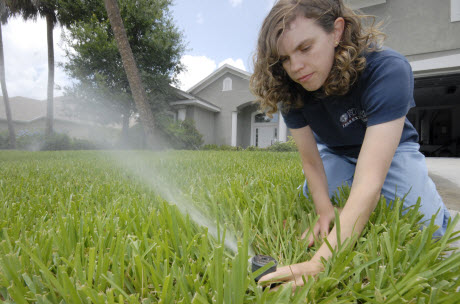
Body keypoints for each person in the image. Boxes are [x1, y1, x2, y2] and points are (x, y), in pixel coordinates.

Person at [249, 0, 451, 288]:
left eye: (305, 48)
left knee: (426, 230)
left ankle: (426, 199)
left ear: (336, 32)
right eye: (284, 58)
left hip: (392, 152)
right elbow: (310, 160)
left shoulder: (387, 69)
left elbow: (369, 180)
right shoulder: (289, 88)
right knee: (324, 197)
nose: (295, 67)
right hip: (336, 152)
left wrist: (319, 263)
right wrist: (323, 210)